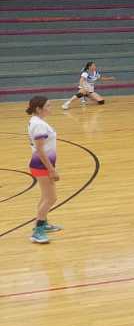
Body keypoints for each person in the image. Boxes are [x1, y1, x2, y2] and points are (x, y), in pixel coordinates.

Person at [26, 96, 62, 244]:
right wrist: (51, 169)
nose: (50, 108)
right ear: (38, 109)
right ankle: (38, 231)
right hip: (42, 165)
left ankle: (44, 223)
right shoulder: (39, 125)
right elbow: (40, 151)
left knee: (45, 196)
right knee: (51, 198)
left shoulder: (37, 121)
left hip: (41, 164)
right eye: (48, 106)